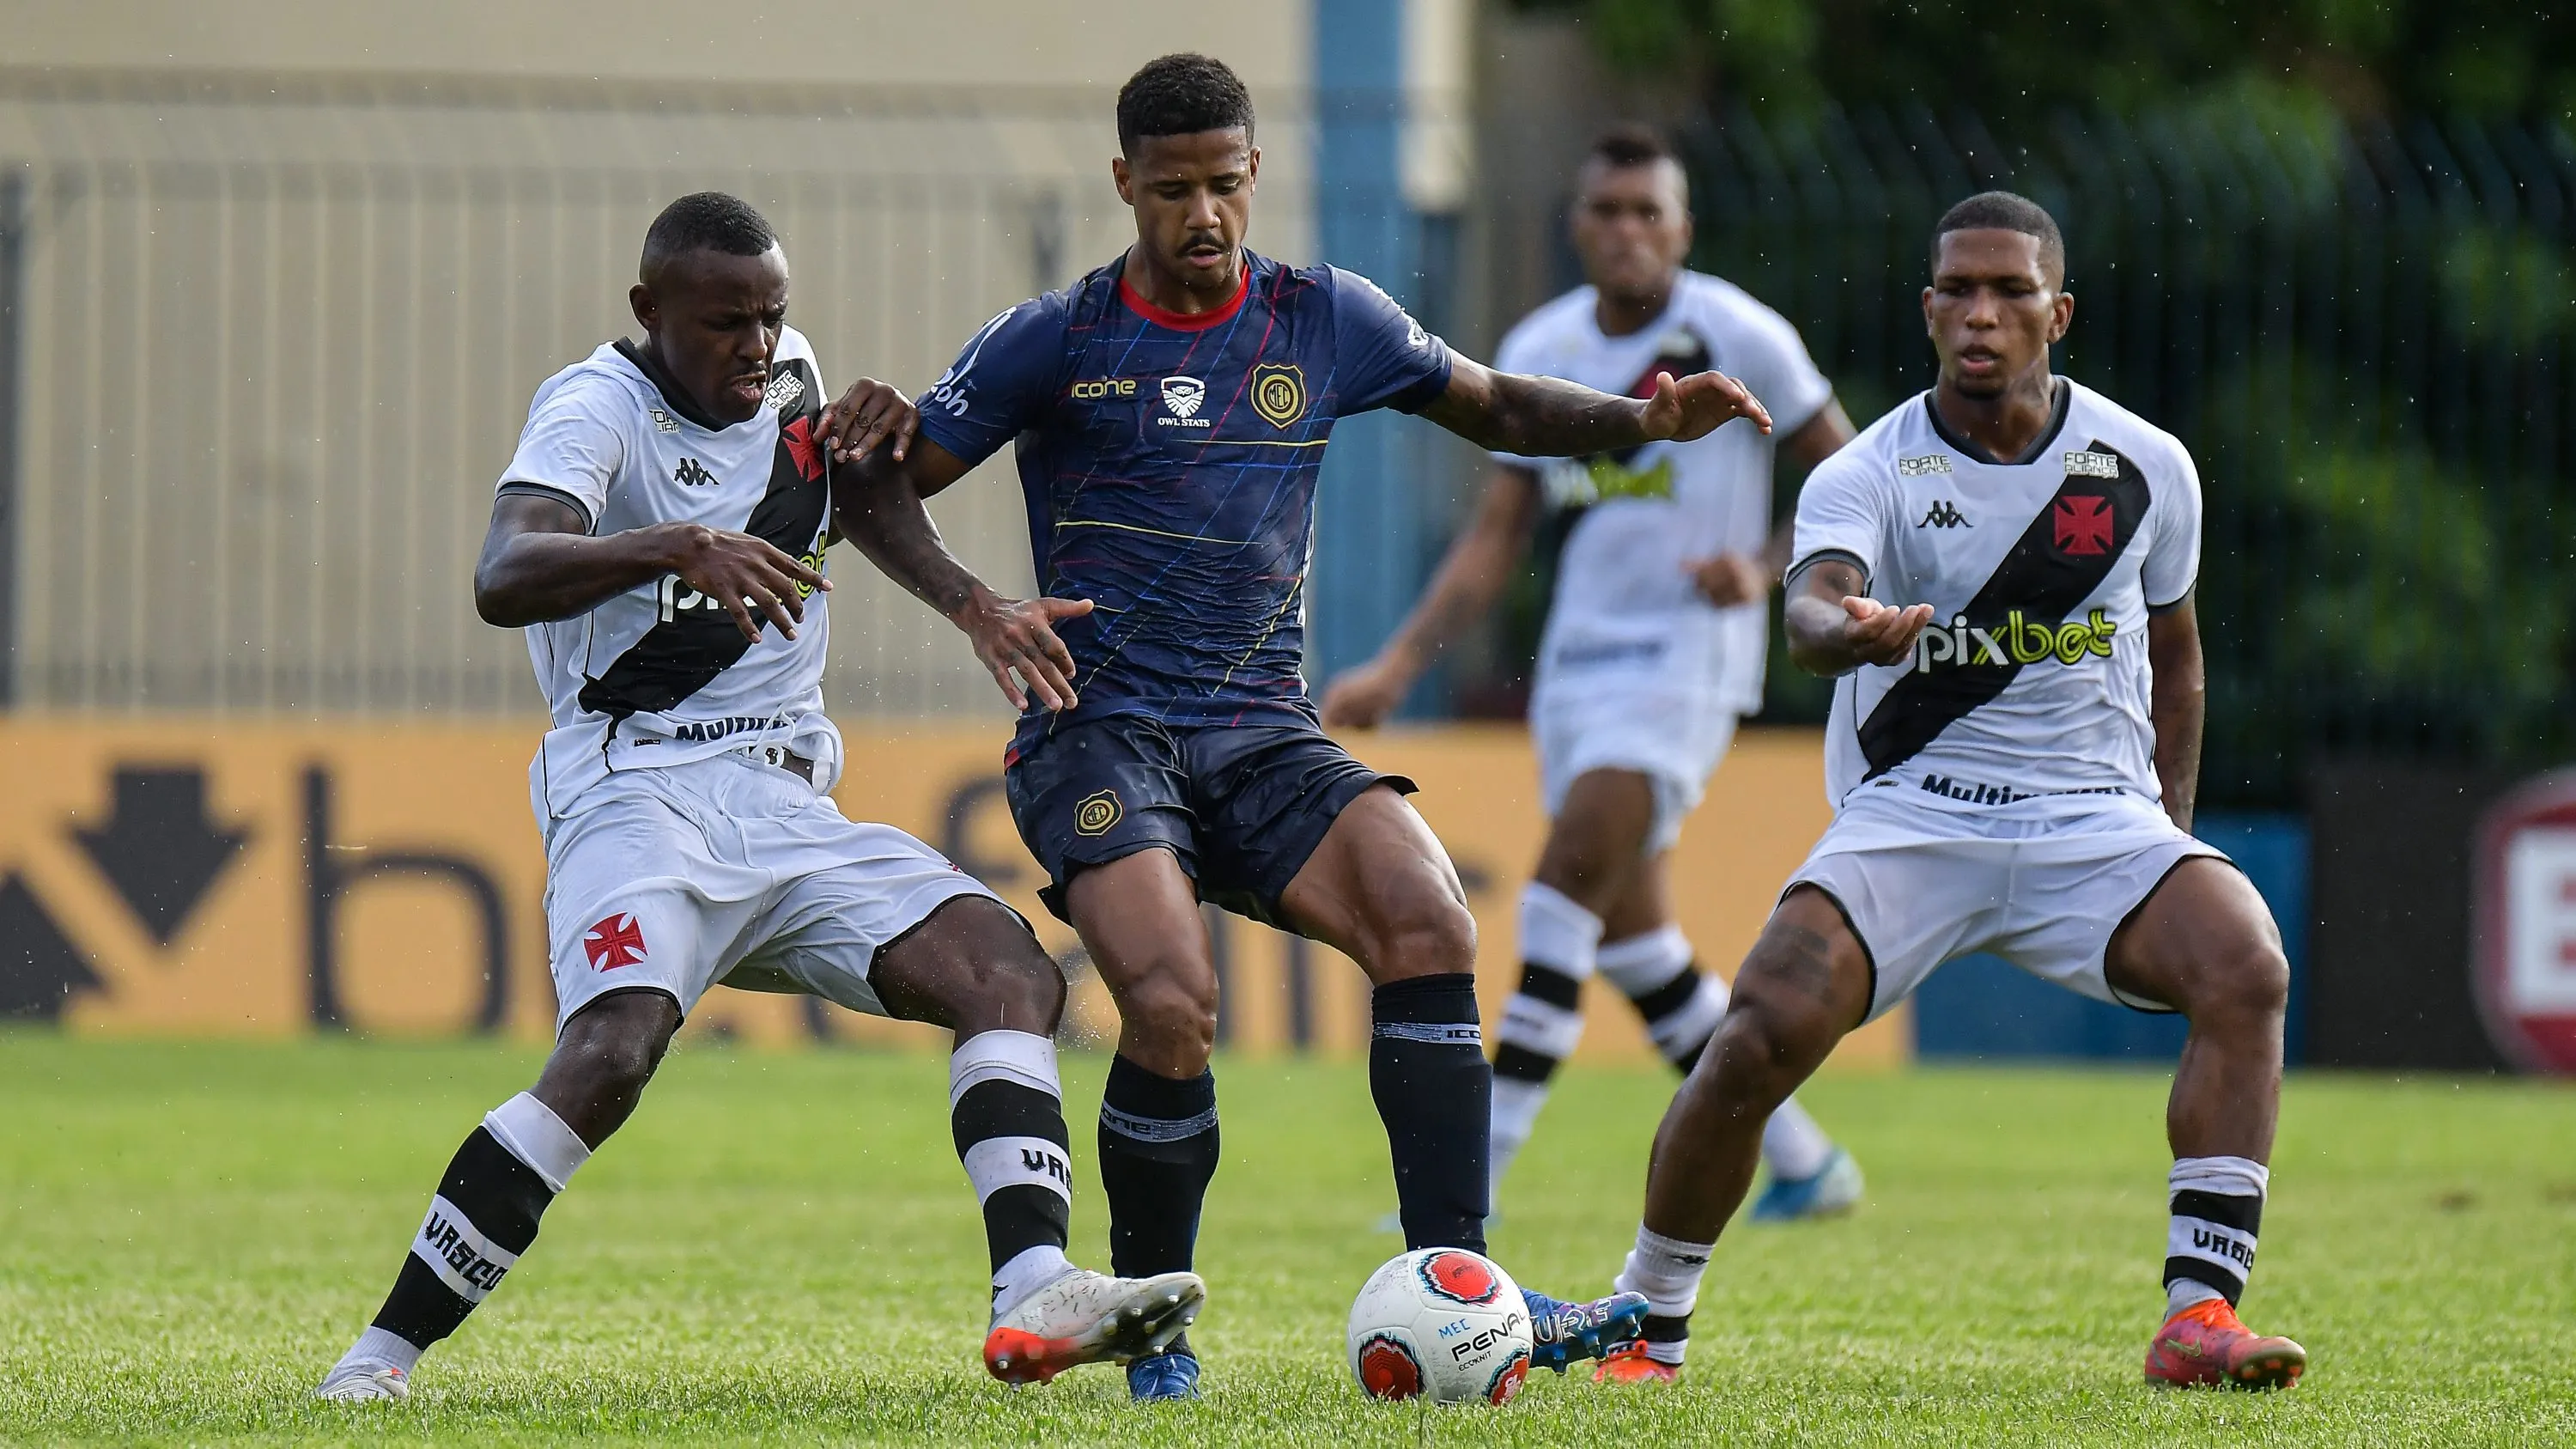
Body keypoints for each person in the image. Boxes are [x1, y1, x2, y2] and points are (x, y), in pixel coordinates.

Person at [839, 55, 1773, 1402]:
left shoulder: (1324, 317)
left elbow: (1496, 403)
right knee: (1169, 998)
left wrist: (1637, 418)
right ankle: (1152, 1336)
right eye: (1171, 191)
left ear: (1254, 174)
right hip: (1099, 731)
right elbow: (877, 485)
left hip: (1260, 727)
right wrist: (977, 605)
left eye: (1223, 184)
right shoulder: (1059, 336)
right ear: (1125, 186)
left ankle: (1463, 1295)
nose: (1202, 214)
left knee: (1431, 919)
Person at [313, 192, 1202, 1403]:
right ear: (650, 313)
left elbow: (857, 498)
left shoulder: (789, 376)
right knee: (613, 1050)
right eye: (726, 321)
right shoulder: (594, 409)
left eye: (772, 315)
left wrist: (974, 603)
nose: (756, 344)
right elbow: (503, 571)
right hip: (638, 792)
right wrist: (676, 544)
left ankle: (1032, 1287)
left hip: (787, 804)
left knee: (1012, 972)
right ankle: (378, 1360)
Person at [1595, 192, 2306, 1391]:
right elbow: (1813, 603)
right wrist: (1846, 628)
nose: (1982, 313)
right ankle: (1644, 1325)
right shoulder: (1868, 468)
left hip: (2093, 817)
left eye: (2010, 291)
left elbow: (2178, 657)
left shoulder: (2145, 467)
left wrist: (2165, 838)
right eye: (1958, 291)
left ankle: (2199, 1318)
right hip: (1916, 809)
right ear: (1928, 310)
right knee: (1762, 1020)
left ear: (2058, 313)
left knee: (2246, 961)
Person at [1321, 125, 1862, 1233]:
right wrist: (1393, 664)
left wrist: (1764, 569)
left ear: (1682, 229)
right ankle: (1808, 1163)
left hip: (1683, 667)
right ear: (1578, 226)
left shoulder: (1741, 333)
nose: (1627, 231)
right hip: (1578, 668)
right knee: (1635, 944)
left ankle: (1471, 1181)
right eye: (1607, 211)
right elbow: (1494, 537)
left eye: (1647, 213)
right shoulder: (1545, 340)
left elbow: (1848, 478)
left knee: (1564, 887)